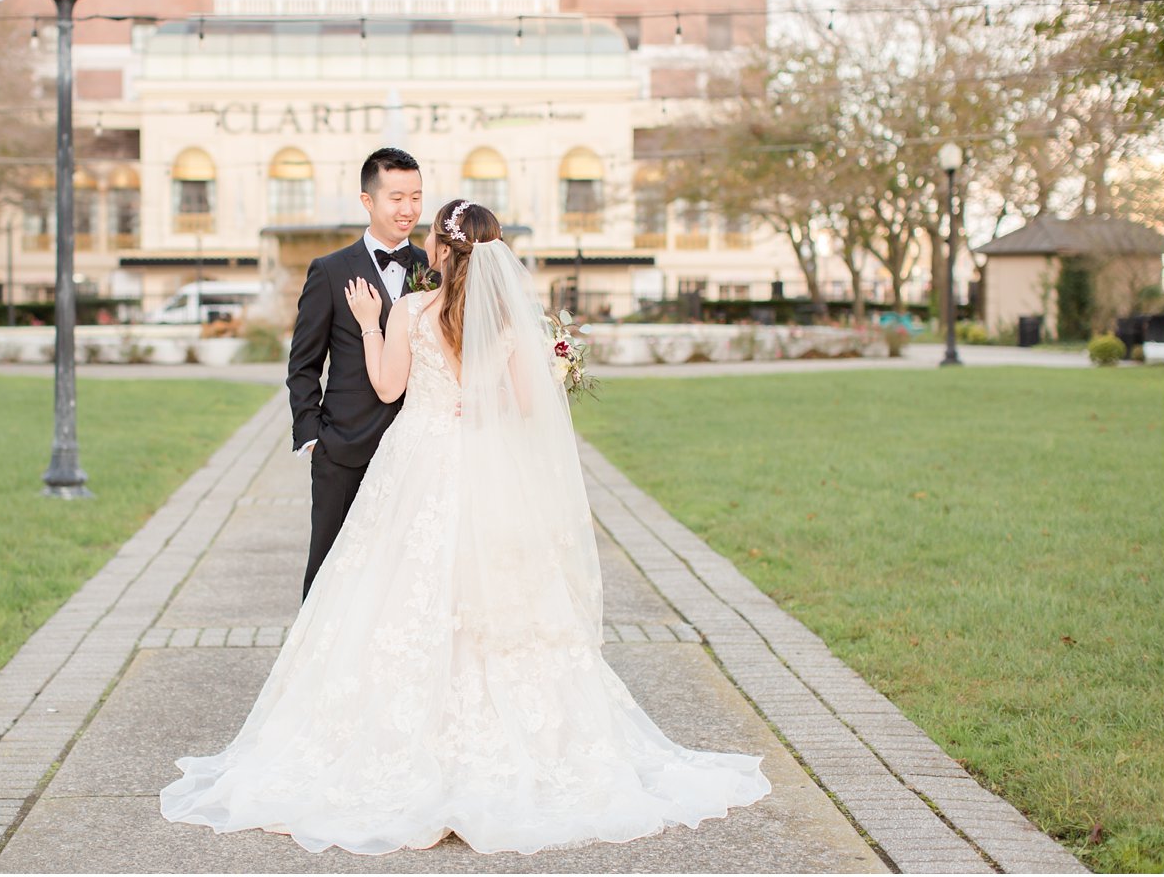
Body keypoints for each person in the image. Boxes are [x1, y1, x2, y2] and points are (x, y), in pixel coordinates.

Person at [160, 200, 772, 855]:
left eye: (429, 235)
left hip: (418, 460)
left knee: (395, 588)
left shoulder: (410, 312)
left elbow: (389, 388)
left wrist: (369, 324)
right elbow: (530, 404)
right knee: (502, 597)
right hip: (486, 462)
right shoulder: (508, 323)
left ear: (442, 250)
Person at [285, 147, 429, 601]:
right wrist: (312, 435)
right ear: (368, 201)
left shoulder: (436, 269)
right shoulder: (329, 271)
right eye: (396, 197)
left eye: (417, 197)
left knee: (406, 571)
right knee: (329, 569)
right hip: (343, 446)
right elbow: (303, 363)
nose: (408, 209)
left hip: (418, 447)